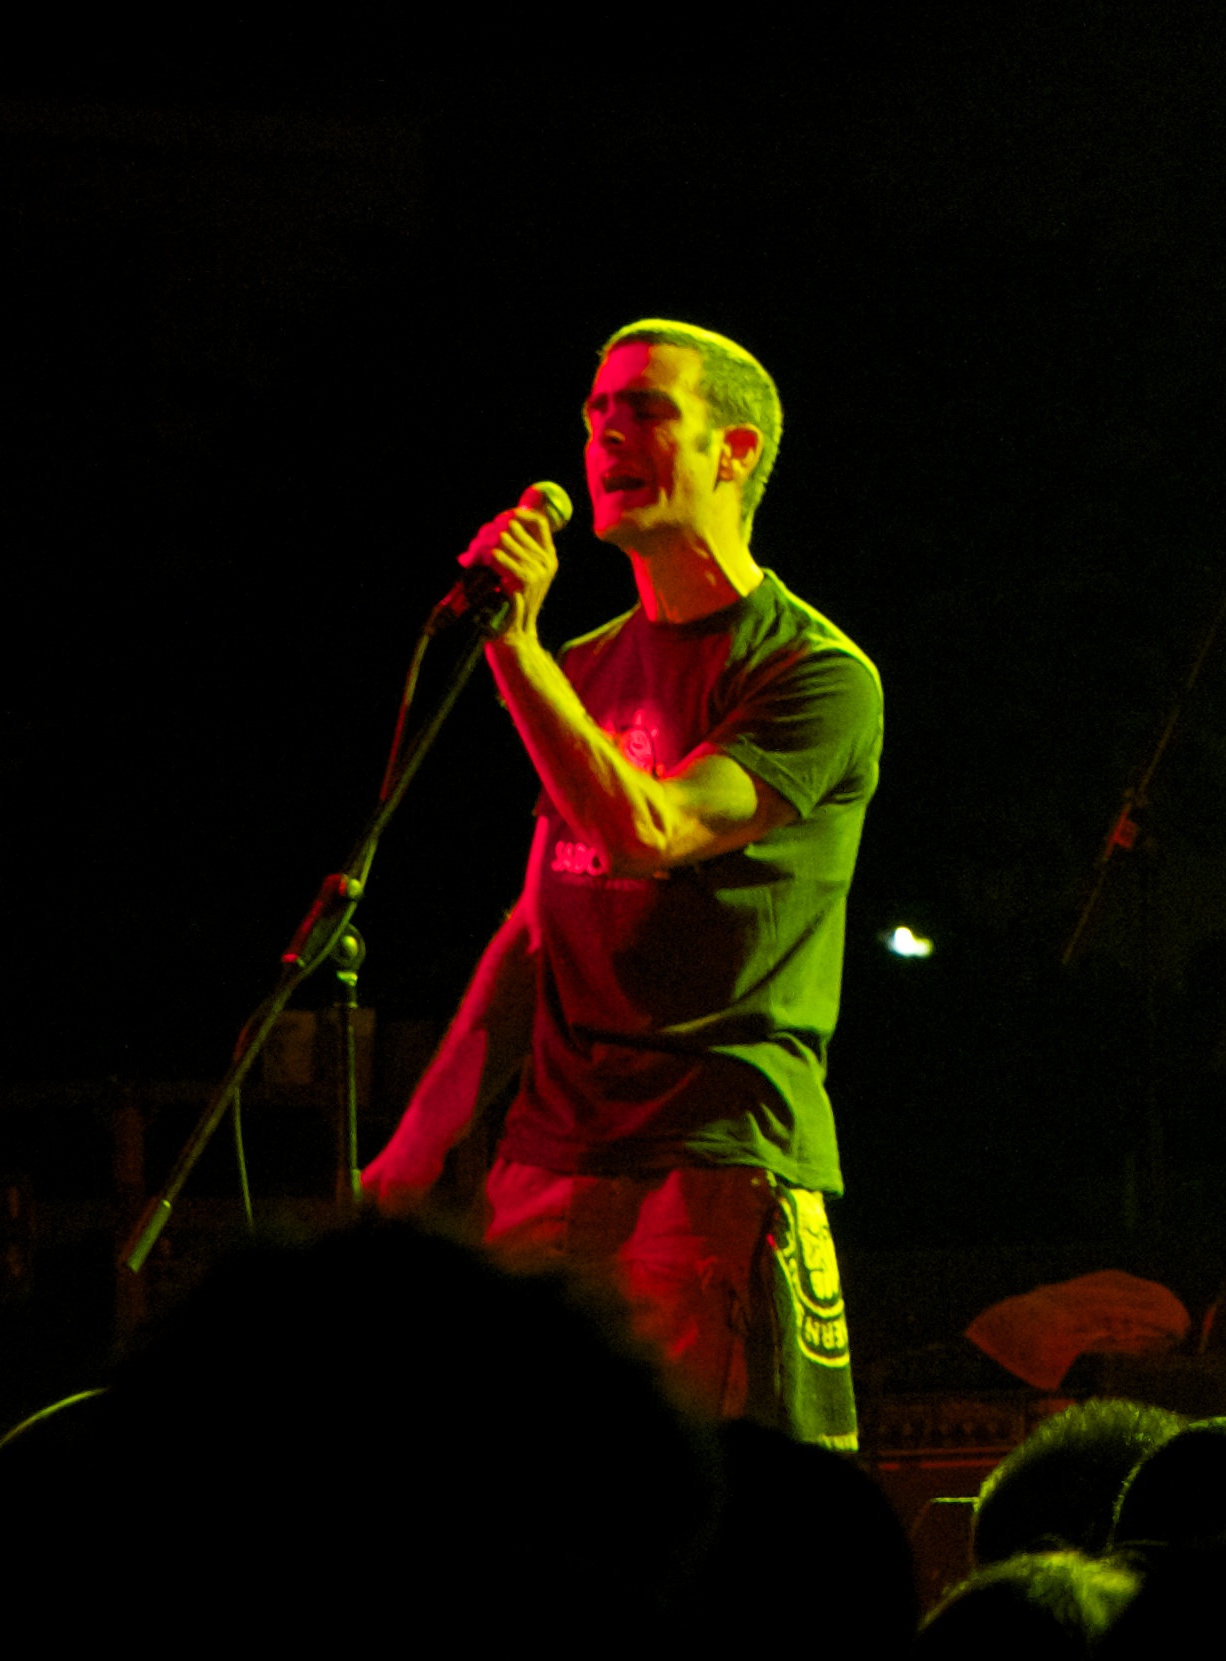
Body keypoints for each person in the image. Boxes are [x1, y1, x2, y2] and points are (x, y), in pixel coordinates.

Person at [363, 321, 883, 1449]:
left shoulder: (816, 674)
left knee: (692, 1503)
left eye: (645, 410)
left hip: (706, 1167)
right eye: (596, 412)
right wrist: (419, 1143)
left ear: (734, 450)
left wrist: (514, 649)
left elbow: (653, 828)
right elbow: (538, 926)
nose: (606, 435)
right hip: (545, 1165)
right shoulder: (587, 664)